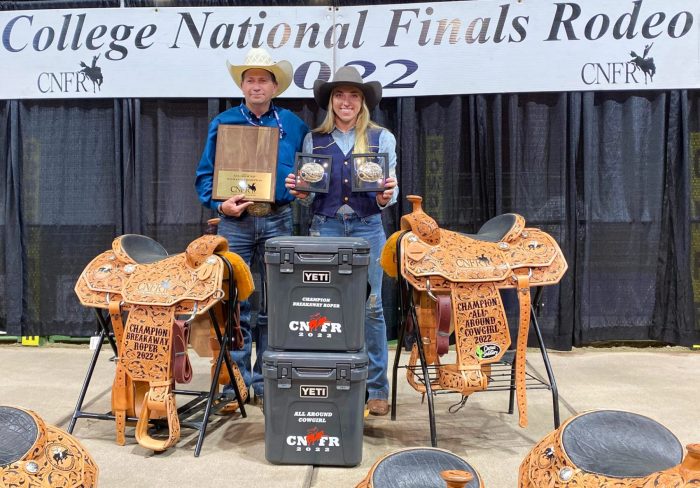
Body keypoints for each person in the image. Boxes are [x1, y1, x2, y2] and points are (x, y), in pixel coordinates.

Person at [195, 48, 309, 406]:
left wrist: (303, 186)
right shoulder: (223, 122)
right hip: (236, 222)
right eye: (250, 79)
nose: (256, 85)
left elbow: (307, 172)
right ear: (242, 86)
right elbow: (203, 178)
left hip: (279, 218)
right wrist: (219, 204)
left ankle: (269, 379)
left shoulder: (293, 124)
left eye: (263, 79)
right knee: (234, 303)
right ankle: (236, 384)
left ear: (275, 87)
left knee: (278, 302)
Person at [285, 66, 398, 416]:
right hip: (326, 226)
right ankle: (328, 379)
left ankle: (377, 388)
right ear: (331, 102)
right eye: (339, 95)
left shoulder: (383, 138)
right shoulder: (314, 140)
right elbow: (307, 196)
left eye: (353, 95)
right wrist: (301, 192)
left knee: (372, 309)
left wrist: (384, 196)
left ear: (362, 102)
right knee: (324, 306)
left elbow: (389, 195)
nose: (345, 101)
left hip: (368, 227)